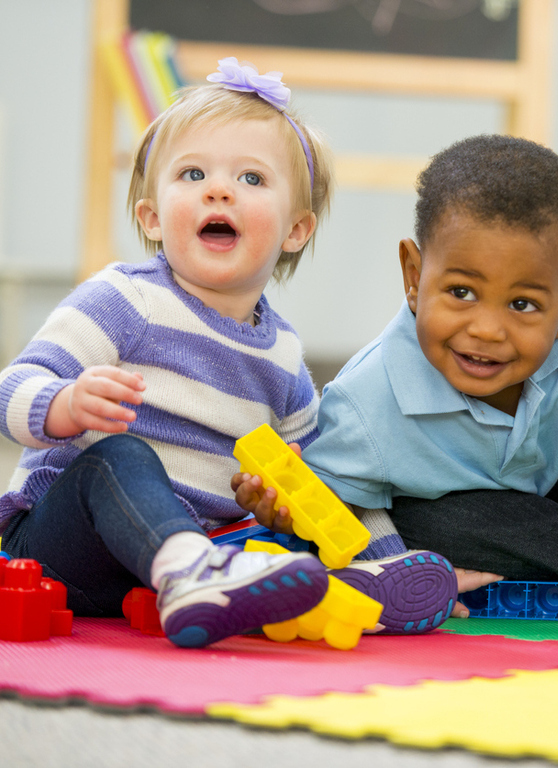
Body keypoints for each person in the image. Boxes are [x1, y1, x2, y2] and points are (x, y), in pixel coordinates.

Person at [290, 134, 558, 616]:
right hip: (484, 525)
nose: (486, 330)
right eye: (461, 292)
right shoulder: (367, 401)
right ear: (414, 277)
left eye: (522, 305)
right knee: (435, 527)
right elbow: (332, 510)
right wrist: (390, 568)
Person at [0, 58, 335, 648]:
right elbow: (11, 389)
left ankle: (211, 580)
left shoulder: (283, 356)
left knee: (284, 536)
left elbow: (319, 477)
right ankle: (190, 571)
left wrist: (282, 507)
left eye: (252, 179)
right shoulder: (125, 299)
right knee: (118, 456)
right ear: (152, 218)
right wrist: (65, 404)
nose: (220, 188)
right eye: (192, 173)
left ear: (296, 230)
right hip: (61, 549)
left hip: (175, 566)